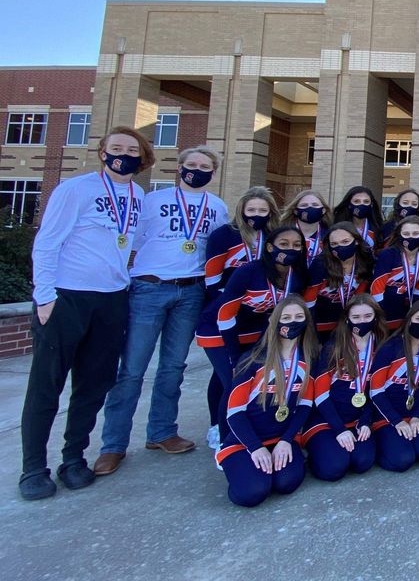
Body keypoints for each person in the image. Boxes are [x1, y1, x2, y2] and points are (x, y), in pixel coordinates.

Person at [20, 126, 151, 501]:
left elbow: (132, 242)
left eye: (131, 149)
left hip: (111, 298)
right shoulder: (75, 190)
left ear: (141, 157)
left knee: (93, 384)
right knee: (47, 384)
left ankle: (73, 458)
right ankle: (33, 467)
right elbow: (47, 242)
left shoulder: (137, 194)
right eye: (116, 148)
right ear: (103, 152)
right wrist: (45, 296)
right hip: (67, 298)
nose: (123, 154)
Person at [96, 145, 229, 478]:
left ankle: (161, 432)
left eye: (205, 166)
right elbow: (129, 243)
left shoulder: (217, 207)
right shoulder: (152, 200)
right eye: (191, 164)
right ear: (179, 167)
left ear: (214, 172)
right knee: (132, 368)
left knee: (173, 366)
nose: (197, 170)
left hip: (191, 289)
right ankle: (113, 445)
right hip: (149, 287)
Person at [218, 295, 317, 507]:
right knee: (253, 493)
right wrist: (255, 447)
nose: (293, 322)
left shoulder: (308, 358)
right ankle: (238, 467)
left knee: (286, 484)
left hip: (282, 439)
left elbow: (304, 406)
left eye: (299, 316)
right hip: (245, 442)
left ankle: (270, 464)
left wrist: (286, 440)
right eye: (286, 317)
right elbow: (234, 413)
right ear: (275, 322)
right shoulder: (253, 360)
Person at [199, 186, 277, 449]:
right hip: (220, 321)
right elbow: (212, 281)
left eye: (262, 210)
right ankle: (221, 435)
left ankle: (231, 426)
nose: (257, 214)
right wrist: (239, 297)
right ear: (242, 210)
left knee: (227, 376)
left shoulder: (273, 238)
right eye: (252, 209)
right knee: (231, 377)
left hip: (256, 321)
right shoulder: (225, 236)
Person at [302, 295, 387, 481]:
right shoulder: (333, 347)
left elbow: (376, 391)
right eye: (356, 317)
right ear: (347, 318)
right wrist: (339, 430)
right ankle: (315, 449)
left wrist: (365, 421)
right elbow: (321, 395)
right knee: (334, 469)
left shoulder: (382, 347)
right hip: (326, 419)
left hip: (358, 418)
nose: (362, 321)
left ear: (376, 317)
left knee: (362, 463)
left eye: (367, 316)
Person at [213, 226, 313, 370]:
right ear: (270, 247)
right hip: (220, 329)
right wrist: (235, 357)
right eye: (284, 244)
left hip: (255, 330)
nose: (290, 249)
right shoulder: (248, 271)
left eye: (297, 245)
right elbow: (225, 315)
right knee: (232, 377)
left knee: (228, 380)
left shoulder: (299, 276)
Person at [369, 300, 419, 471]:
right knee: (403, 460)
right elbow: (375, 391)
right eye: (418, 318)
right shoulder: (389, 347)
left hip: (417, 411)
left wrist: (417, 415)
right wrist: (396, 421)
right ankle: (380, 444)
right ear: (409, 319)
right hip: (388, 414)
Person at [307, 222, 374, 339]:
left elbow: (360, 297)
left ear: (357, 241)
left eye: (345, 242)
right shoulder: (320, 264)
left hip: (352, 324)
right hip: (320, 325)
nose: (340, 247)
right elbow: (309, 302)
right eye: (334, 244)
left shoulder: (366, 260)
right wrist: (311, 335)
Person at [371, 215, 419, 330]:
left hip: (406, 312)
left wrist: (414, 309)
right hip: (384, 310)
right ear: (399, 235)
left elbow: (418, 287)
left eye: (415, 234)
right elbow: (377, 288)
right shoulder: (389, 254)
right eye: (406, 234)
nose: (410, 237)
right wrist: (381, 314)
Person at [284, 189, 332, 266]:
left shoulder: (330, 235)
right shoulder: (282, 233)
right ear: (296, 211)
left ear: (323, 210)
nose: (310, 208)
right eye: (304, 205)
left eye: (315, 205)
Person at [332, 186, 384, 250]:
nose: (361, 204)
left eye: (366, 201)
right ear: (349, 205)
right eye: (356, 201)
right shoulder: (337, 227)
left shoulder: (379, 228)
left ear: (371, 205)